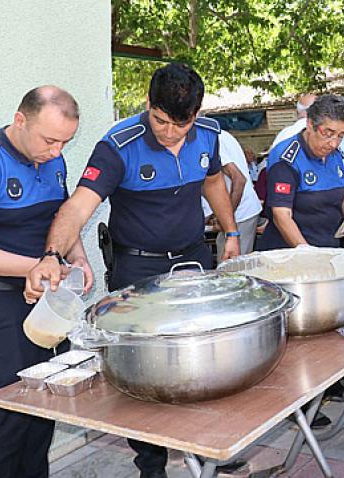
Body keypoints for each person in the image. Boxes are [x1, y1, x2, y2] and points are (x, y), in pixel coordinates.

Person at [25, 63, 239, 478]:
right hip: (137, 267)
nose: (171, 133)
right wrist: (53, 254)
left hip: (194, 259)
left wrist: (230, 232)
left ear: (196, 114)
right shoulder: (118, 145)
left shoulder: (210, 135)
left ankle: (208, 447)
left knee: (205, 357)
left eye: (181, 124)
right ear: (148, 104)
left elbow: (213, 182)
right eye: (161, 120)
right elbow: (78, 207)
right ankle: (152, 464)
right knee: (146, 372)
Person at [0, 86, 91, 478]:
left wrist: (76, 254)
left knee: (46, 409)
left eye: (65, 141)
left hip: (47, 303)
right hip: (0, 308)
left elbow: (60, 216)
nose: (57, 151)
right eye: (50, 140)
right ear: (20, 121)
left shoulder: (53, 161)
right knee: (9, 416)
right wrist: (32, 266)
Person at [256, 95, 344, 250]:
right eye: (328, 133)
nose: (334, 143)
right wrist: (306, 251)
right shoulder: (287, 159)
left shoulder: (335, 155)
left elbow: (340, 196)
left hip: (329, 248)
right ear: (310, 124)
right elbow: (282, 216)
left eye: (341, 135)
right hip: (292, 254)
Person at [202, 130, 263, 261]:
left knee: (231, 269)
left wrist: (224, 218)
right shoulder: (217, 134)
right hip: (237, 213)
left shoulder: (210, 139)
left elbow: (239, 180)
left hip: (241, 214)